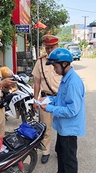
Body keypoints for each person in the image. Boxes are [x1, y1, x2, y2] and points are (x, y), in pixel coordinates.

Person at [40, 48, 85, 173]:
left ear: (65, 64)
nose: (54, 69)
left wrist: (50, 108)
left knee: (69, 156)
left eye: (55, 66)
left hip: (70, 128)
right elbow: (60, 99)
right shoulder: (66, 79)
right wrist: (46, 100)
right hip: (63, 127)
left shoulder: (73, 83)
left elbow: (72, 110)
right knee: (60, 151)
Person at [32, 34, 61, 164]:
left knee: (62, 127)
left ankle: (61, 150)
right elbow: (37, 82)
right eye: (47, 47)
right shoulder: (40, 61)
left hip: (60, 99)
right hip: (46, 98)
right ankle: (45, 151)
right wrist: (35, 99)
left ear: (57, 46)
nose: (49, 50)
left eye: (52, 47)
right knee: (46, 127)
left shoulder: (63, 59)